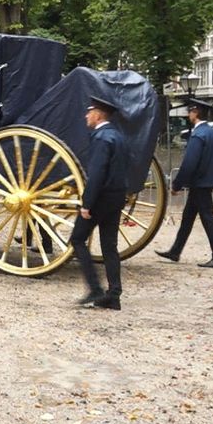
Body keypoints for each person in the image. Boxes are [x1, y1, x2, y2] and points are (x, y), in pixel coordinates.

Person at [71, 96, 129, 310]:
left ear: (97, 114)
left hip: (101, 198)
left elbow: (96, 174)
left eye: (89, 112)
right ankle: (114, 294)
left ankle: (95, 288)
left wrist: (87, 204)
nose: (86, 116)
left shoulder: (101, 138)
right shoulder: (118, 137)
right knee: (109, 246)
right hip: (116, 196)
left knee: (77, 240)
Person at [156, 98, 213, 268]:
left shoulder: (198, 135)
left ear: (195, 113)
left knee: (208, 218)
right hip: (207, 181)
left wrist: (177, 184)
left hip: (199, 183)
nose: (188, 114)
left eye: (190, 111)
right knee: (188, 217)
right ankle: (175, 251)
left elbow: (189, 163)